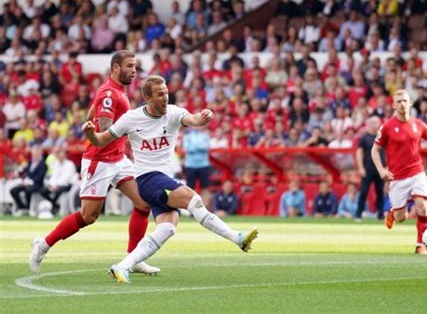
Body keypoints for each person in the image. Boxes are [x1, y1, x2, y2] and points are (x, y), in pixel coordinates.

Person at [83, 75, 258, 283]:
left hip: (164, 178)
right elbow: (102, 140)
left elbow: (194, 120)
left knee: (168, 227)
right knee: (193, 200)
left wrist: (204, 116)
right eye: (160, 95)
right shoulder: (131, 118)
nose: (165, 97)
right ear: (147, 98)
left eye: (166, 93)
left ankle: (123, 266)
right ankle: (237, 238)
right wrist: (91, 134)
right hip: (147, 179)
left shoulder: (173, 113)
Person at [29, 50, 158, 275]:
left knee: (143, 203)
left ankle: (133, 258)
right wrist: (134, 127)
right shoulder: (110, 93)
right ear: (116, 68)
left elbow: (92, 115)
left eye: (135, 66)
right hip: (99, 161)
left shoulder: (115, 91)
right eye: (129, 66)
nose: (134, 70)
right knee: (88, 216)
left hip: (118, 159)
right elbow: (106, 127)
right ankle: (43, 244)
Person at [372, 89, 427, 255]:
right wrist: (381, 170)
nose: (402, 104)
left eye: (405, 101)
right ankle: (392, 213)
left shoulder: (418, 124)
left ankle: (421, 245)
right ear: (394, 105)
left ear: (410, 103)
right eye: (399, 102)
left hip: (417, 172)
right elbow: (375, 150)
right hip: (397, 177)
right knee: (401, 217)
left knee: (422, 207)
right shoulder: (387, 126)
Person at [355, 116, 385, 220]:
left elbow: (389, 152)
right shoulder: (364, 138)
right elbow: (359, 152)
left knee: (380, 192)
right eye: (371, 122)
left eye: (375, 122)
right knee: (363, 192)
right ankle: (358, 214)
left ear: (379, 124)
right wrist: (360, 168)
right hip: (367, 169)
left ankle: (380, 214)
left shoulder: (383, 136)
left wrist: (387, 167)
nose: (374, 125)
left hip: (380, 169)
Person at [38, 148, 77, 215]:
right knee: (42, 191)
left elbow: (66, 178)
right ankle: (55, 205)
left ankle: (54, 206)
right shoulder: (55, 164)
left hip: (67, 185)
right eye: (59, 155)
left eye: (62, 155)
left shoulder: (70, 164)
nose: (61, 157)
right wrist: (52, 185)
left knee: (58, 191)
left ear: (65, 156)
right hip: (56, 185)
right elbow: (53, 176)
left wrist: (57, 185)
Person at [10, 146, 47, 213]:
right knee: (13, 190)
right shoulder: (30, 162)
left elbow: (40, 177)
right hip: (26, 183)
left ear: (40, 154)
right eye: (33, 154)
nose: (34, 155)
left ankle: (28, 207)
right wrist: (21, 169)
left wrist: (29, 182)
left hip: (37, 185)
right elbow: (25, 173)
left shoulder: (43, 164)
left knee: (28, 190)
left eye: (36, 154)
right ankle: (22, 207)